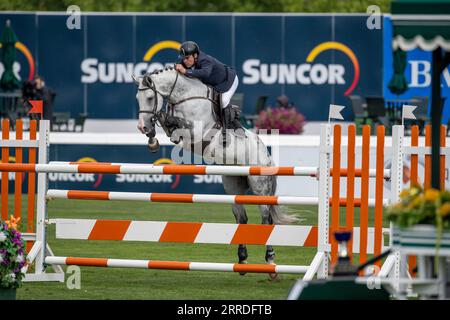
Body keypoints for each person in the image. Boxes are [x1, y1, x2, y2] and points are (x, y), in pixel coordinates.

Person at [175, 41, 242, 133]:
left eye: (187, 58)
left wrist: (186, 71)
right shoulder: (187, 60)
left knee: (223, 101)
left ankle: (229, 129)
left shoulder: (205, 60)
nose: (185, 61)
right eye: (183, 58)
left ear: (195, 56)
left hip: (228, 81)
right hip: (214, 83)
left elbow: (205, 74)